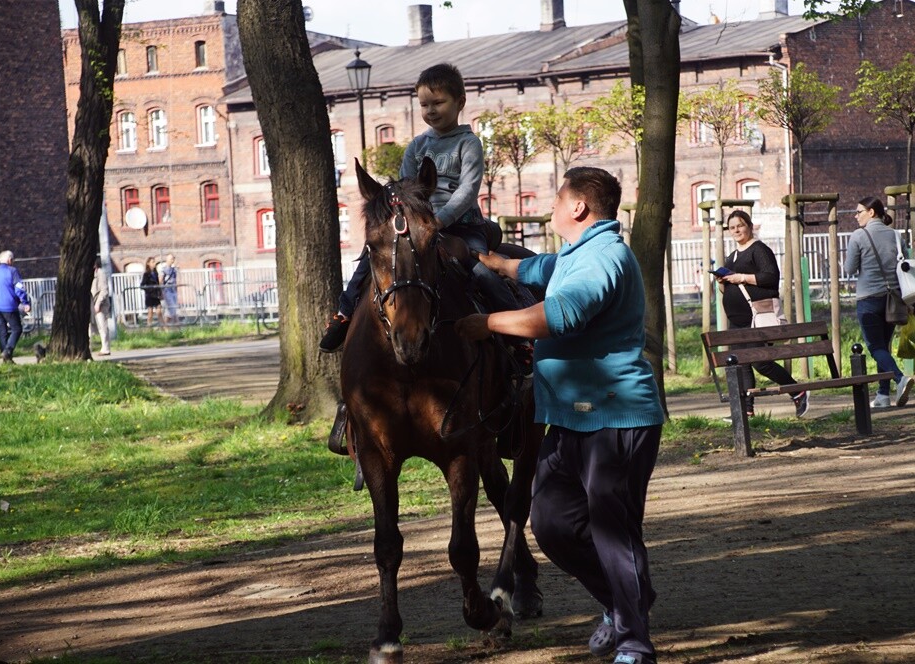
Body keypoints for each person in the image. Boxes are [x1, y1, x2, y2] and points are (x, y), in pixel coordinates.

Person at [455, 167, 664, 664]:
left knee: (614, 533)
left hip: (616, 418)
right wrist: (494, 264)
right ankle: (624, 600)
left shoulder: (606, 257)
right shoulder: (578, 253)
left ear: (578, 208)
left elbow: (559, 315)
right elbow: (542, 269)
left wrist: (487, 323)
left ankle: (635, 643)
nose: (550, 206)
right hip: (570, 418)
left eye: (557, 198)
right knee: (550, 523)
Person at [319, 62, 521, 353]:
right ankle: (344, 313)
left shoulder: (469, 143)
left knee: (482, 272)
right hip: (419, 224)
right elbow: (404, 190)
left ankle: (516, 335)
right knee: (370, 259)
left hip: (462, 225)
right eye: (425, 104)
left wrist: (439, 221)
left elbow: (467, 190)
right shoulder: (416, 146)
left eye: (439, 103)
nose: (431, 111)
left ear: (460, 102)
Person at [716, 210, 808, 418]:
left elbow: (770, 277)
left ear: (749, 226)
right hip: (737, 321)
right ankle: (746, 409)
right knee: (740, 363)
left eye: (740, 225)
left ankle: (797, 391)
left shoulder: (759, 250)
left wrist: (742, 277)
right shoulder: (732, 257)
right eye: (732, 227)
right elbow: (729, 288)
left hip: (757, 316)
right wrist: (723, 283)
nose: (736, 230)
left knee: (760, 361)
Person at [843, 197, 914, 408]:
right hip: (893, 299)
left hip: (868, 299)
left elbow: (849, 269)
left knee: (875, 347)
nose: (856, 216)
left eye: (859, 212)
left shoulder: (858, 235)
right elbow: (905, 264)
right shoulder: (895, 235)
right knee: (885, 346)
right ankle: (883, 395)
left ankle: (900, 378)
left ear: (871, 212)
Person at [0, 250, 31, 364]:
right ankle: (8, 350)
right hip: (9, 306)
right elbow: (19, 288)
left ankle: (6, 358)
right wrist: (25, 302)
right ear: (10, 260)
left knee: (2, 330)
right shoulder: (12, 271)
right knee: (17, 329)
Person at [91, 258, 111, 356]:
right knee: (89, 327)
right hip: (91, 302)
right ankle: (88, 347)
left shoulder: (100, 273)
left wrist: (98, 303)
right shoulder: (88, 273)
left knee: (102, 325)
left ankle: (105, 348)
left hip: (100, 303)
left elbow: (104, 290)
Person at [141, 257, 165, 329]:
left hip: (156, 296)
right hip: (149, 296)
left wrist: (160, 293)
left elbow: (158, 284)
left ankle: (164, 329)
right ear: (148, 263)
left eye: (154, 262)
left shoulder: (155, 273)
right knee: (150, 313)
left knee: (159, 312)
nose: (154, 264)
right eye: (152, 262)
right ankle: (149, 329)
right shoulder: (146, 274)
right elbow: (142, 285)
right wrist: (150, 289)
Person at [160, 253, 178, 325]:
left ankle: (164, 327)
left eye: (173, 259)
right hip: (167, 291)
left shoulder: (174, 270)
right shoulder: (164, 269)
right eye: (171, 259)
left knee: (171, 311)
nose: (172, 260)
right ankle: (177, 326)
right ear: (167, 260)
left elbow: (175, 280)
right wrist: (162, 291)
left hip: (173, 291)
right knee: (172, 309)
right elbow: (161, 280)